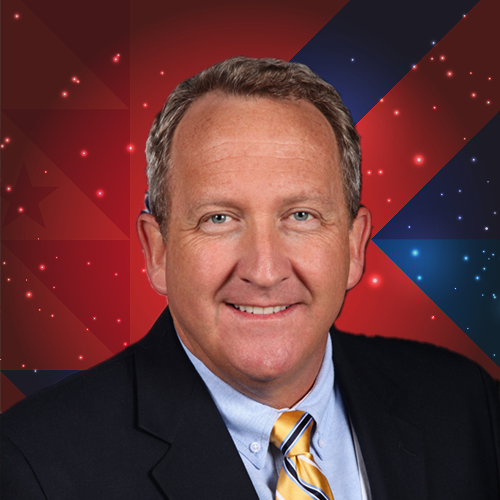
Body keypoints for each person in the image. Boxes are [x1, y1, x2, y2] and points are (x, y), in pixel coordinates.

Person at [1, 57, 499, 500]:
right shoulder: (33, 466)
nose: (264, 271)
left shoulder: (466, 405)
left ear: (354, 246)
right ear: (158, 251)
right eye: (219, 219)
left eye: (301, 216)